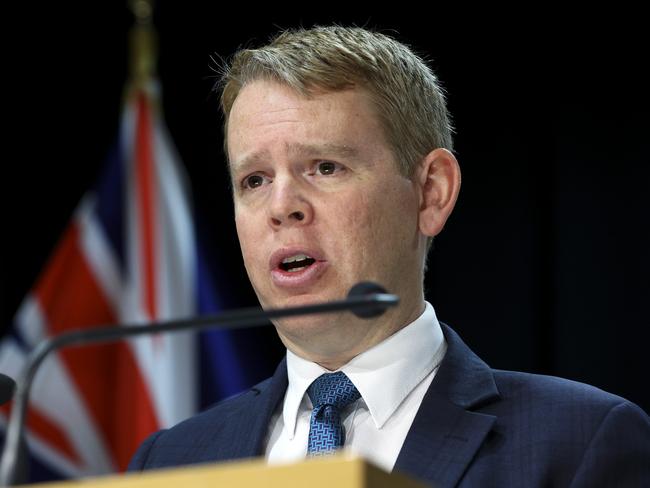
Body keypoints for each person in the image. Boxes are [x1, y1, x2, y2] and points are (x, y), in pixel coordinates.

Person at [128, 26, 650, 486]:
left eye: (325, 167)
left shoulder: (579, 441)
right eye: (254, 180)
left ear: (431, 193)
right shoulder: (171, 462)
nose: (281, 206)